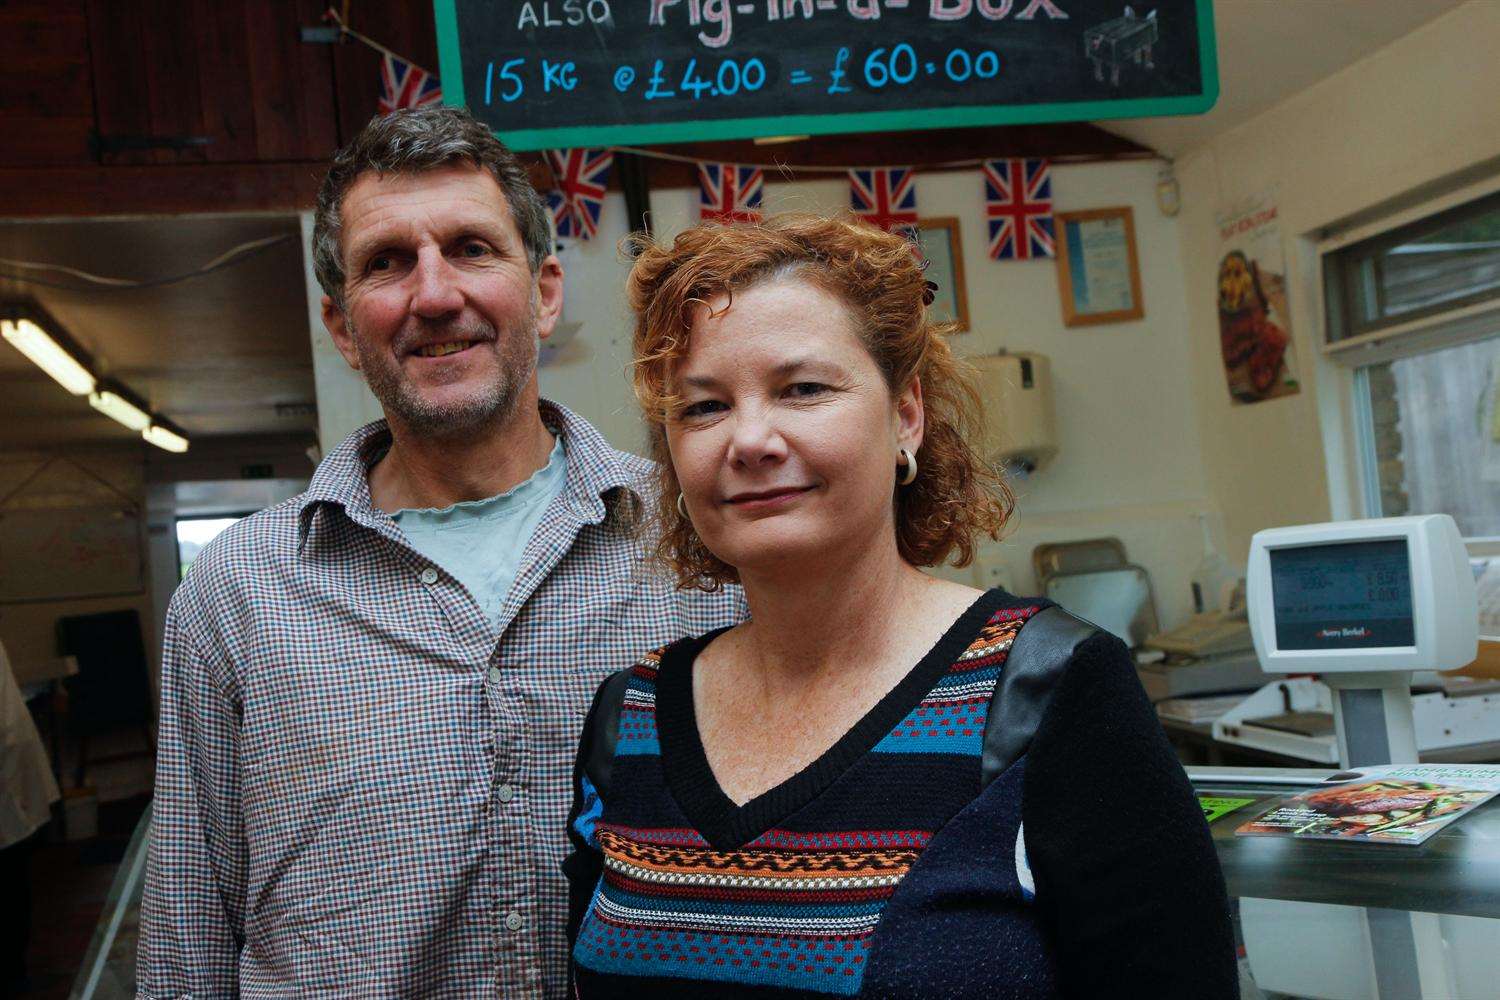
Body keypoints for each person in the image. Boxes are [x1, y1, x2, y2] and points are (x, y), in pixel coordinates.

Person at [137, 107, 743, 999]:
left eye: (470, 248)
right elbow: (188, 946)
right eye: (387, 262)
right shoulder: (238, 591)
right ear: (343, 326)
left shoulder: (700, 538)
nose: (433, 294)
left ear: (542, 291)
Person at [564, 215, 1238, 998]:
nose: (749, 439)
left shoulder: (1050, 691)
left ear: (906, 415)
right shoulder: (630, 717)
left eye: (803, 389)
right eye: (703, 407)